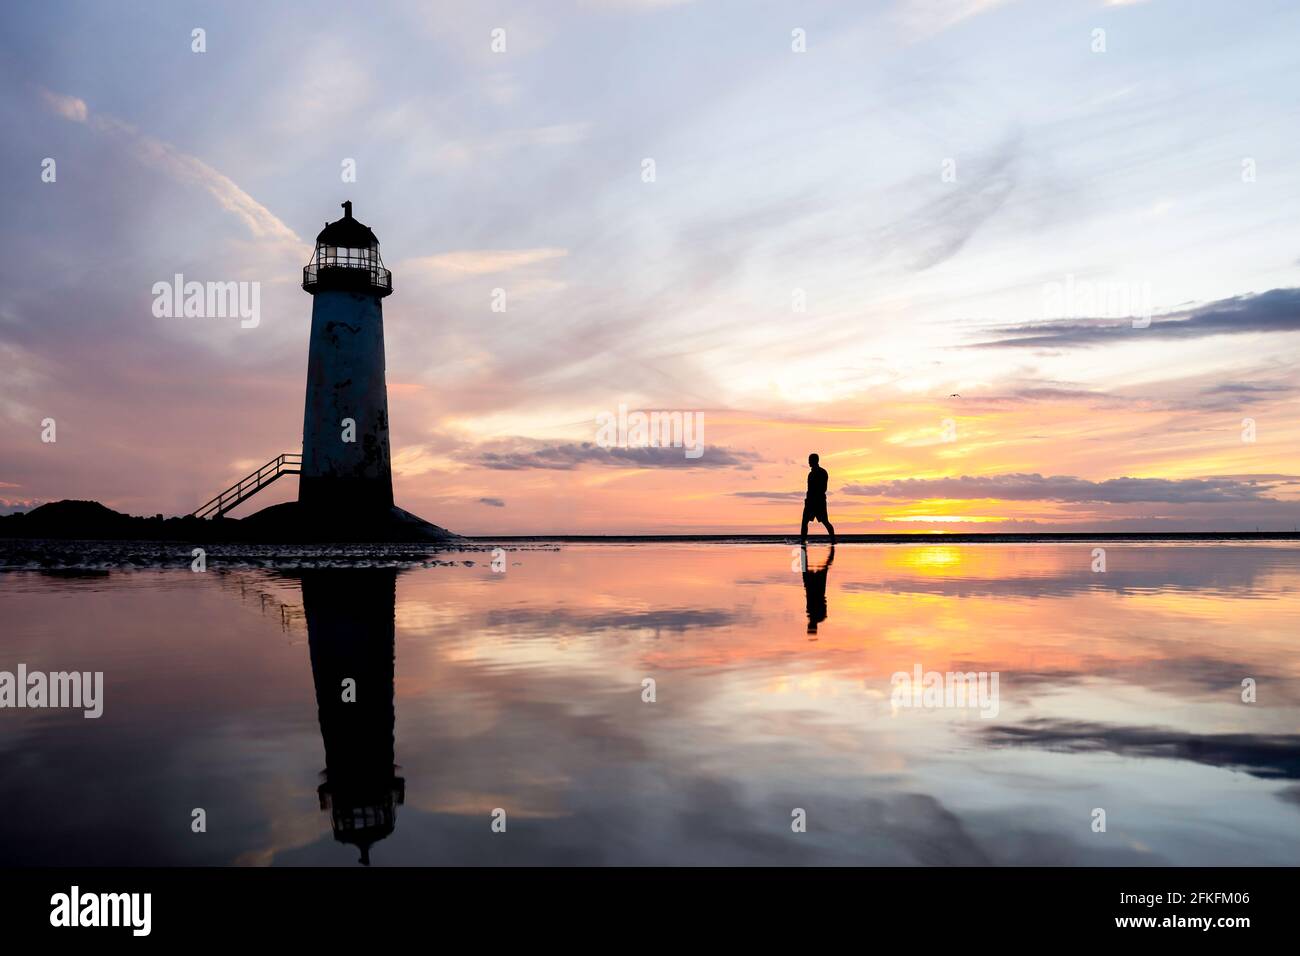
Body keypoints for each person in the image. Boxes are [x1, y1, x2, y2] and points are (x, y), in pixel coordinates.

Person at [800, 453, 836, 544]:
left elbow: (823, 488)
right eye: (809, 460)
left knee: (825, 522)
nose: (808, 462)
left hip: (818, 501)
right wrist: (807, 500)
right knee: (804, 522)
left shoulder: (822, 472)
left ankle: (833, 540)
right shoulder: (811, 474)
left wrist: (814, 497)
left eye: (810, 460)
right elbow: (809, 489)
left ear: (814, 461)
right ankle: (803, 541)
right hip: (811, 502)